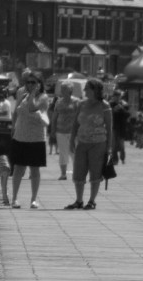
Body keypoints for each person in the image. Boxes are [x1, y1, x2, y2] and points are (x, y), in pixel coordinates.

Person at [66, 78, 113, 211]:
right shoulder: (81, 104)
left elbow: (109, 128)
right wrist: (71, 140)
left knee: (95, 172)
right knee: (78, 171)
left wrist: (109, 148)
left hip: (98, 144)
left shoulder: (104, 106)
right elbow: (76, 123)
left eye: (87, 88)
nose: (84, 90)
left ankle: (91, 201)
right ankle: (79, 200)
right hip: (82, 142)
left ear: (95, 90)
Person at [9, 72, 49, 209]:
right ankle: (14, 198)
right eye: (28, 82)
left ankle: (33, 199)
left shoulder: (43, 97)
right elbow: (16, 111)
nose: (30, 85)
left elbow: (32, 108)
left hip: (36, 137)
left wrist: (33, 94)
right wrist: (13, 126)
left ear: (39, 84)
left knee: (34, 169)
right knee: (18, 168)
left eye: (33, 82)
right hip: (21, 135)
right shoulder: (21, 93)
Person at [51, 80, 80, 180]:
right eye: (62, 89)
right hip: (60, 131)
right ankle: (63, 174)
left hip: (73, 132)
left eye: (65, 89)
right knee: (63, 153)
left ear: (70, 90)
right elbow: (54, 116)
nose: (62, 91)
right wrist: (52, 130)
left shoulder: (77, 101)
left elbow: (80, 116)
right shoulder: (58, 102)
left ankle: (76, 173)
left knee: (74, 153)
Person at [110, 91, 130, 164]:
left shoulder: (124, 104)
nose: (117, 98)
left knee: (121, 144)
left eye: (118, 96)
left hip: (122, 127)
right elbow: (107, 114)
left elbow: (127, 115)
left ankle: (122, 158)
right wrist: (113, 110)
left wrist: (121, 108)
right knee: (113, 144)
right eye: (116, 96)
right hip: (113, 126)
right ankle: (115, 160)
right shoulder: (110, 104)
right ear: (113, 96)